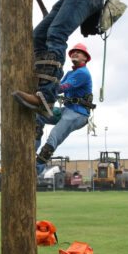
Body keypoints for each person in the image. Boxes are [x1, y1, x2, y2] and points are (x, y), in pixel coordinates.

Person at [35, 43, 95, 175]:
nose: (75, 53)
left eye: (78, 52)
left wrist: (43, 87)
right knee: (39, 114)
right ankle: (32, 146)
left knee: (53, 137)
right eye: (73, 52)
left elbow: (62, 88)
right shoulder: (70, 72)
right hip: (67, 111)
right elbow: (58, 87)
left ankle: (35, 170)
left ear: (85, 58)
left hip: (78, 114)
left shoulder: (83, 73)